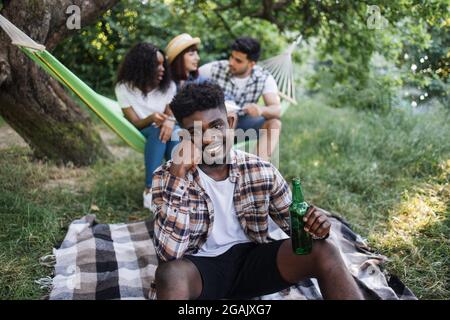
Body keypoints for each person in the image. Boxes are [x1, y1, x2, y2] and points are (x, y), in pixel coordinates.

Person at [150, 82, 363, 300]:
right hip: (201, 271)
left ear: (231, 123)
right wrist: (178, 178)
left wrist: (315, 226)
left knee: (324, 249)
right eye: (196, 132)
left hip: (253, 264)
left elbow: (296, 229)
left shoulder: (261, 170)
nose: (208, 138)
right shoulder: (166, 176)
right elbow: (168, 255)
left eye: (216, 126)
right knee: (169, 275)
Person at [115, 42, 179, 209]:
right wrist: (151, 118)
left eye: (163, 64)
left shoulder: (168, 86)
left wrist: (168, 122)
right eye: (156, 64)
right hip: (144, 129)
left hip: (170, 127)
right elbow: (135, 122)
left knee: (175, 135)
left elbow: (170, 114)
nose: (162, 68)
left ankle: (175, 187)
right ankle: (150, 189)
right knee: (159, 131)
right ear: (142, 66)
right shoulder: (124, 88)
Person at [199, 37, 282, 161]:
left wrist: (261, 109)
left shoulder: (264, 78)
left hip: (244, 125)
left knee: (275, 123)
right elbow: (189, 79)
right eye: (231, 57)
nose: (231, 62)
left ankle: (257, 168)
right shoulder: (214, 69)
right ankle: (220, 165)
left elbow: (277, 110)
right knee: (230, 115)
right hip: (215, 125)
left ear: (251, 64)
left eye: (238, 60)